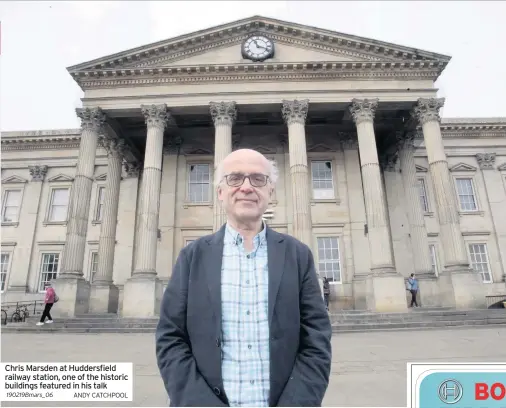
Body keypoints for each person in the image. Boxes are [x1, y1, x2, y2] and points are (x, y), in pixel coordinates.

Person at [156, 148, 332, 407]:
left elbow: (316, 340)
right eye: (235, 178)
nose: (247, 187)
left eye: (258, 179)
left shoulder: (298, 255)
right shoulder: (191, 257)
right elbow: (171, 339)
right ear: (220, 193)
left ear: (270, 192)